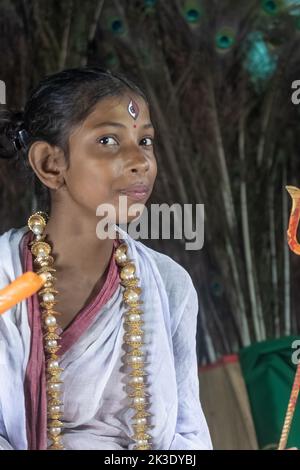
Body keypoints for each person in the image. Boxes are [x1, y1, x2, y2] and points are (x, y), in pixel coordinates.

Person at [0, 67, 212, 450]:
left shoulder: (168, 283)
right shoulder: (5, 277)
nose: (139, 160)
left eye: (145, 140)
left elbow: (189, 437)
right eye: (109, 140)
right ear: (50, 163)